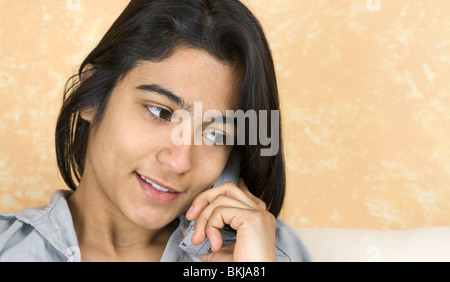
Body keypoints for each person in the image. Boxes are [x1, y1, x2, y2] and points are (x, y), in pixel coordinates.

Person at [0, 0, 310, 262]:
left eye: (216, 135)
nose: (179, 162)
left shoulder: (268, 252)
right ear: (92, 95)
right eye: (161, 112)